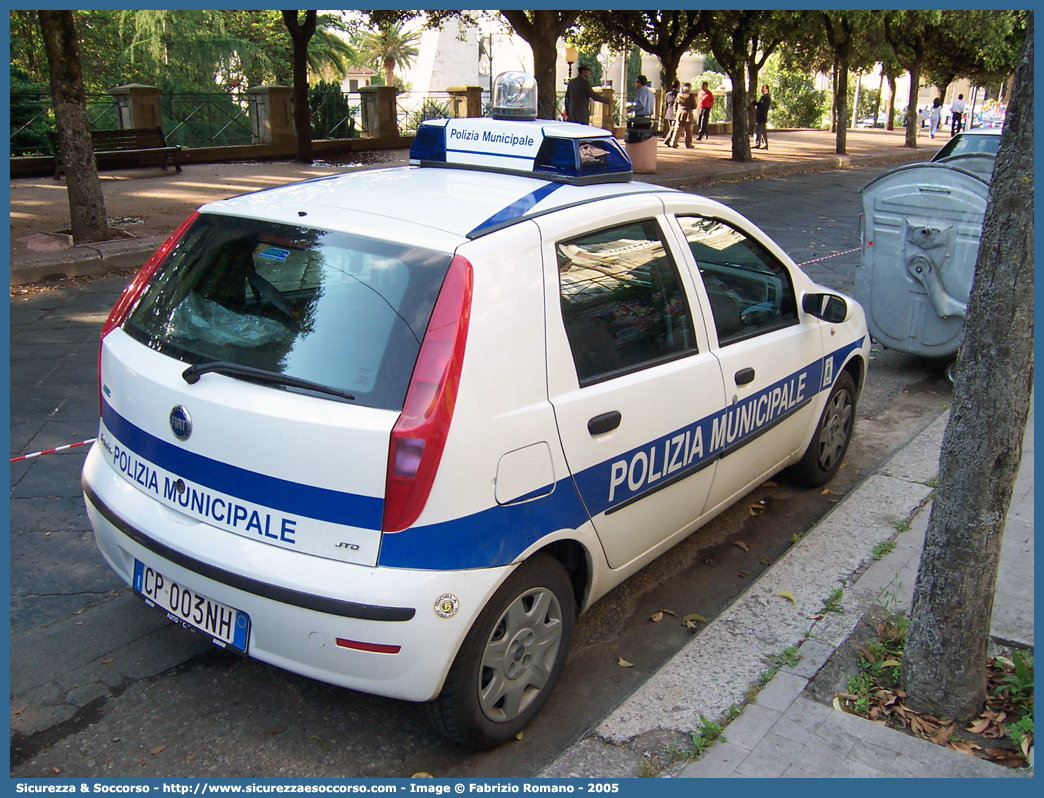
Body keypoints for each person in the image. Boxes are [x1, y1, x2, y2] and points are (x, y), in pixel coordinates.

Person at [665, 82, 695, 148]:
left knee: (677, 129)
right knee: (688, 131)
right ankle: (688, 144)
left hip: (679, 113)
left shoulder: (679, 95)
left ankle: (673, 142)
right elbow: (694, 106)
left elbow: (675, 105)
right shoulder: (691, 95)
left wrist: (676, 112)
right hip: (687, 114)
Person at [751, 84, 771, 149]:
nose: (762, 89)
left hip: (762, 117)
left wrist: (754, 102)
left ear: (767, 89)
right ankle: (765, 144)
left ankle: (758, 143)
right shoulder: (764, 97)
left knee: (758, 130)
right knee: (763, 131)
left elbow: (762, 105)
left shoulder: (766, 97)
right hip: (761, 116)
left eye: (763, 88)